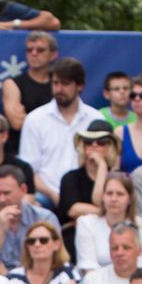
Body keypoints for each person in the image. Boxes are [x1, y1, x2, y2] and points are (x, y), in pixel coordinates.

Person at [18, 58, 97, 207]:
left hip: (86, 195)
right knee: (28, 205)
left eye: (65, 84)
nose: (59, 89)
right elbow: (29, 170)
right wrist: (53, 195)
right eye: (55, 83)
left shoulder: (95, 119)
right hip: (45, 196)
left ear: (80, 86)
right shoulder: (35, 119)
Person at [0, 165, 57, 277]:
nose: (1, 199)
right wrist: (1, 231)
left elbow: (54, 262)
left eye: (7, 193)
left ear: (23, 190)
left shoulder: (45, 218)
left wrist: (10, 275)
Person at [54, 120, 119, 252]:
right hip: (75, 234)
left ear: (110, 147)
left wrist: (102, 167)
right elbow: (74, 209)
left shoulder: (118, 179)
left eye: (101, 142)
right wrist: (105, 212)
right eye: (88, 142)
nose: (94, 145)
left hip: (111, 234)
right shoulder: (71, 178)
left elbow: (98, 200)